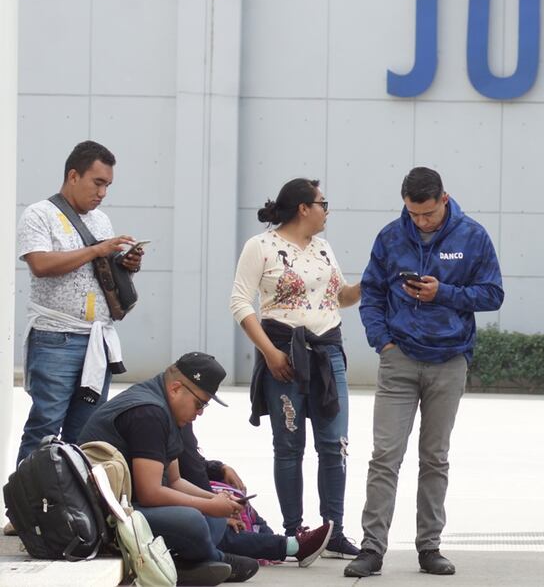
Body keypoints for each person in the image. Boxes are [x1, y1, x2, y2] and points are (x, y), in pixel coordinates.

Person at [346, 167, 504, 578]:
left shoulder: (473, 236)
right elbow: (371, 292)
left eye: (428, 214)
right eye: (413, 214)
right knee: (385, 456)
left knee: (435, 457)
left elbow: (493, 294)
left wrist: (442, 293)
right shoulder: (390, 237)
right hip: (398, 358)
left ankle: (429, 547)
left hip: (449, 360)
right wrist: (382, 341)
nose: (421, 221)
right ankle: (372, 547)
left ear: (444, 199)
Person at [230, 178, 362, 559]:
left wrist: (368, 284)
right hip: (283, 352)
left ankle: (333, 531)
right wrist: (270, 353)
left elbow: (339, 297)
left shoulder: (323, 248)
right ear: (304, 208)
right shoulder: (261, 246)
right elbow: (239, 302)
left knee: (335, 445)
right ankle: (295, 533)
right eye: (323, 203)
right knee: (289, 446)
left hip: (327, 352)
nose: (327, 211)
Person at [77, 353, 259, 584]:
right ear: (175, 388)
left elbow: (175, 481)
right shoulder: (149, 413)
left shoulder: (165, 407)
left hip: (129, 506)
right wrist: (209, 505)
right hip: (105, 516)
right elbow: (150, 493)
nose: (201, 412)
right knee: (193, 521)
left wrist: (216, 499)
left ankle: (183, 565)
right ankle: (215, 560)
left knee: (213, 520)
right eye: (200, 403)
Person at [15, 140, 142, 464]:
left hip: (97, 341)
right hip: (55, 337)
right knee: (45, 427)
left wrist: (126, 264)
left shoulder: (101, 220)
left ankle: (70, 494)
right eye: (97, 183)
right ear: (73, 176)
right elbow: (40, 264)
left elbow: (100, 271)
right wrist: (97, 250)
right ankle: (27, 495)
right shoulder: (39, 214)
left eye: (108, 185)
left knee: (87, 433)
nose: (102, 193)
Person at [178, 423, 333, 566]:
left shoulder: (180, 423)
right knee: (213, 530)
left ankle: (278, 542)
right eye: (198, 405)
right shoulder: (166, 423)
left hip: (194, 497)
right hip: (182, 507)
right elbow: (172, 484)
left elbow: (191, 465)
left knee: (238, 502)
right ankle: (293, 547)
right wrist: (213, 509)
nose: (200, 412)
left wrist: (219, 469)